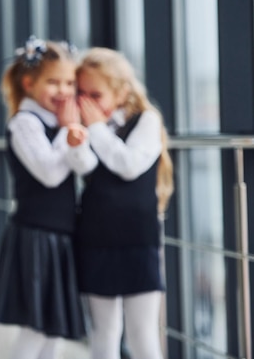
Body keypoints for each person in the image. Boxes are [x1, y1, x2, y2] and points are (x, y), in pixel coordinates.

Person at [0, 36, 97, 359]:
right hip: (35, 236)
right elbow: (49, 173)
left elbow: (85, 166)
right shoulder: (24, 123)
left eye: (69, 83)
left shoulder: (59, 125)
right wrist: (67, 131)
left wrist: (73, 135)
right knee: (34, 330)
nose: (63, 91)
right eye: (53, 82)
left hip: (60, 235)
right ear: (29, 83)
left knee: (53, 332)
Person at [74, 47, 174, 359]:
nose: (86, 103)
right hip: (96, 237)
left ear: (121, 92)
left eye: (95, 94)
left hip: (137, 239)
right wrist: (75, 142)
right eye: (81, 94)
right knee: (104, 333)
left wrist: (96, 129)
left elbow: (128, 164)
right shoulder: (89, 128)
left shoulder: (146, 121)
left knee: (143, 333)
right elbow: (85, 168)